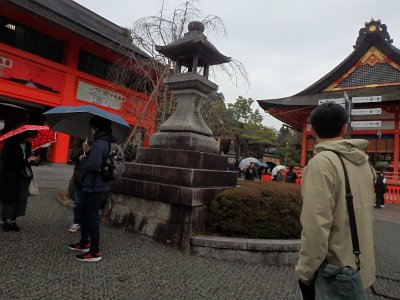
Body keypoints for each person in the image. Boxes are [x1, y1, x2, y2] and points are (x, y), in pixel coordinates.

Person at [295, 102, 376, 299]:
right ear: (344, 128)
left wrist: (306, 272)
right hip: (358, 264)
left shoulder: (321, 163)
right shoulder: (363, 163)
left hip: (334, 270)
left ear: (312, 130)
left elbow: (316, 224)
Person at [68, 116, 115, 262]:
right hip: (95, 184)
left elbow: (93, 166)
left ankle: (94, 252)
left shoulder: (100, 143)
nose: (92, 130)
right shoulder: (105, 142)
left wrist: (84, 159)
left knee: (92, 218)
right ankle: (84, 243)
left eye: (93, 127)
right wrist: (89, 152)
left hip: (94, 185)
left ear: (96, 127)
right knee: (85, 215)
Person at [0, 131, 40, 232]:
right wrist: (26, 161)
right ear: (24, 135)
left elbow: (27, 159)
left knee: (21, 198)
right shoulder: (9, 144)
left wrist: (35, 161)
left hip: (24, 175)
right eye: (30, 137)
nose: (31, 140)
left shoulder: (27, 144)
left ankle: (13, 220)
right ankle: (4, 220)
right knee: (9, 198)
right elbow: (8, 161)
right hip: (10, 176)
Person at [68, 139, 91, 233]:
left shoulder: (98, 142)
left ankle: (86, 222)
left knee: (89, 202)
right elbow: (72, 156)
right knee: (78, 201)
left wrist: (89, 150)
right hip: (79, 176)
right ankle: (77, 221)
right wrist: (82, 149)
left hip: (91, 177)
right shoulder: (81, 140)